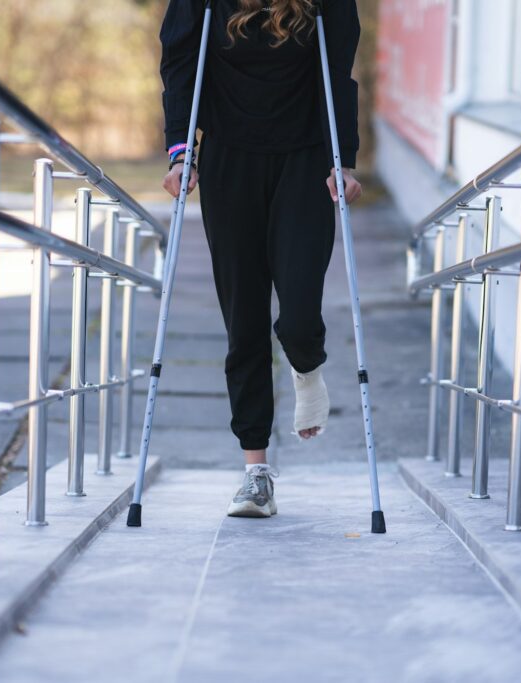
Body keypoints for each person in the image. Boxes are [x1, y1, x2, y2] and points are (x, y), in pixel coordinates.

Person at [160, 0, 362, 518]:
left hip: (306, 158)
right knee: (244, 320)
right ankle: (256, 472)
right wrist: (182, 151)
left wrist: (346, 161)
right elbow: (181, 63)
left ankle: (306, 365)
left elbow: (338, 71)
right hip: (230, 159)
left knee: (297, 312)